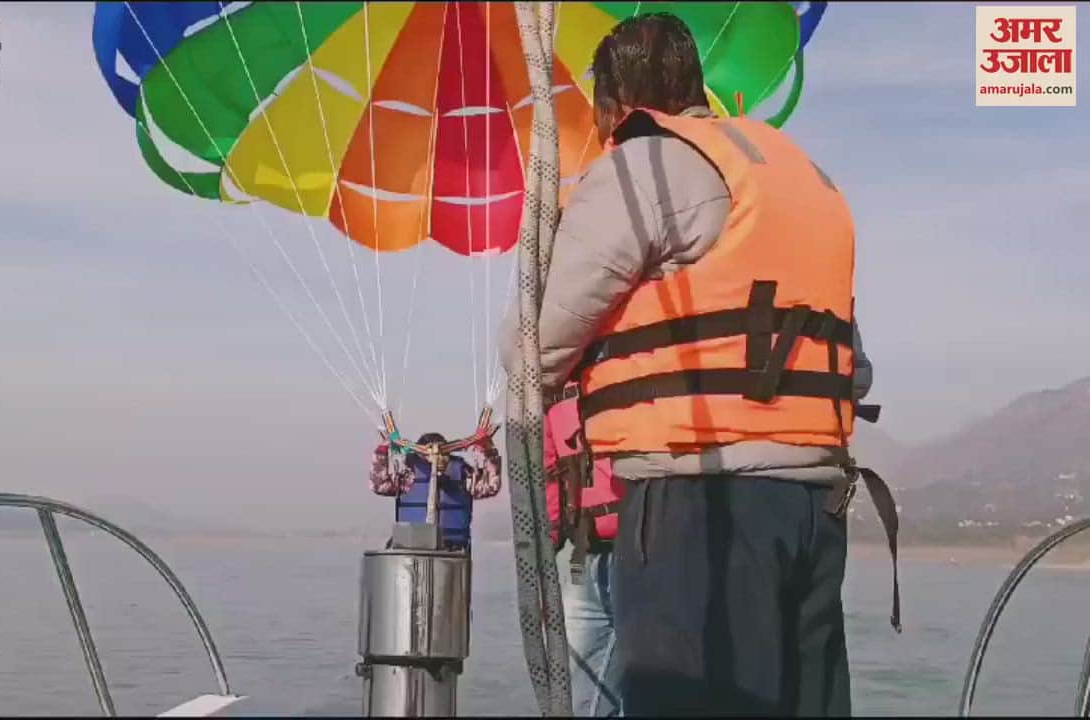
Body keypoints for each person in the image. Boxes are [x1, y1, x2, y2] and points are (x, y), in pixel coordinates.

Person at [499, 12, 899, 716]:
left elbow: (534, 351)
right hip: (816, 513)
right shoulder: (795, 175)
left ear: (613, 106)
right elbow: (851, 370)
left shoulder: (642, 164)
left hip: (699, 509)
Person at [544, 382, 624, 717]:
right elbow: (547, 470)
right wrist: (541, 559)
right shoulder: (556, 391)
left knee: (655, 685)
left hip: (647, 549)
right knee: (575, 690)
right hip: (580, 556)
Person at [370, 432, 501, 552]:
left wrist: (488, 451)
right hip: (410, 548)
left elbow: (490, 487)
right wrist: (382, 451)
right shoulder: (408, 474)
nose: (436, 457)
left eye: (442, 453)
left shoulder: (462, 473)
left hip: (452, 551)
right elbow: (379, 485)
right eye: (430, 453)